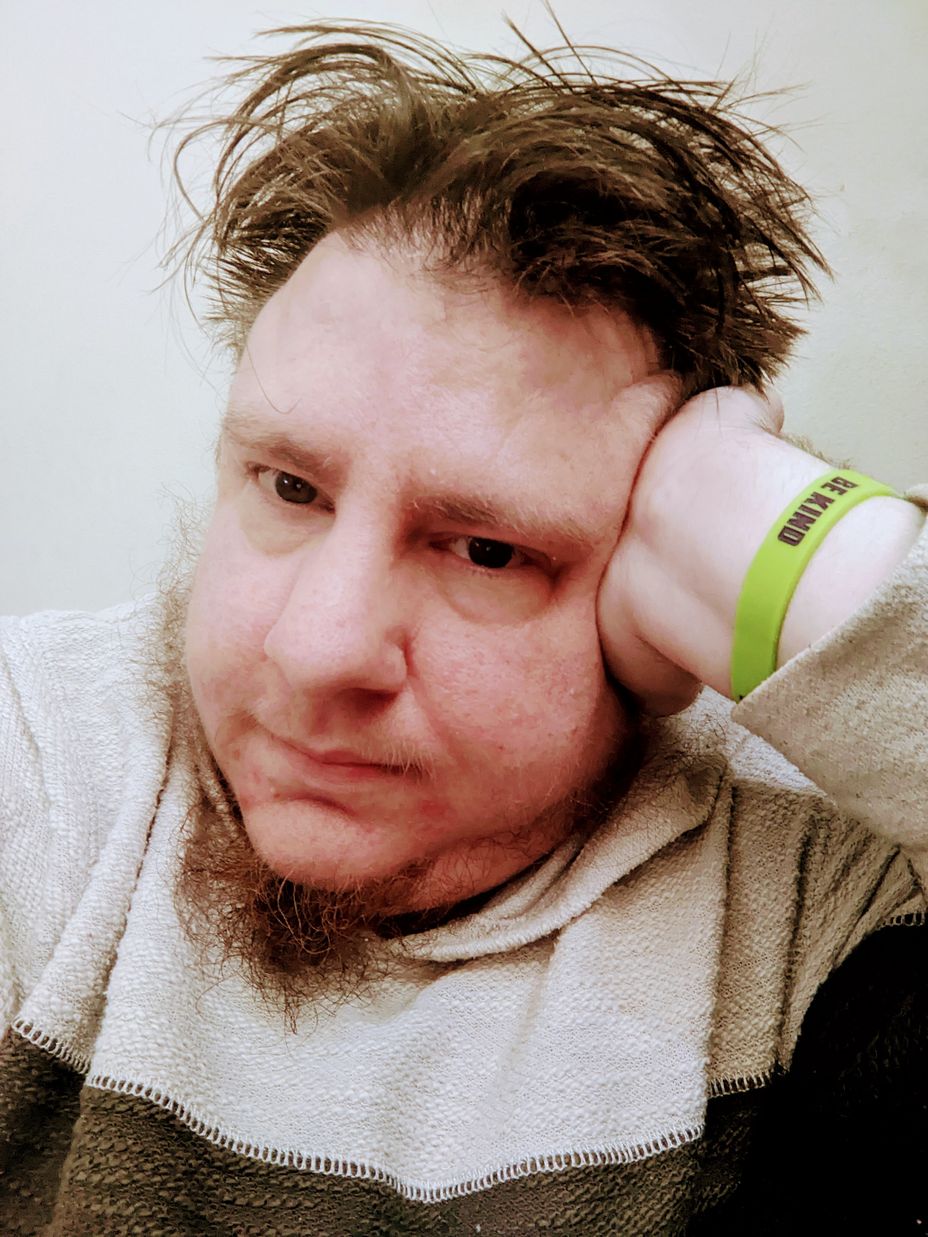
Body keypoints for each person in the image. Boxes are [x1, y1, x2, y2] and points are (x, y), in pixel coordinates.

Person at [1, 19, 925, 1235]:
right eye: (290, 487)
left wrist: (781, 545)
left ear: (659, 596)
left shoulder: (817, 892)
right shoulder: (41, 764)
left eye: (488, 549)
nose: (315, 650)